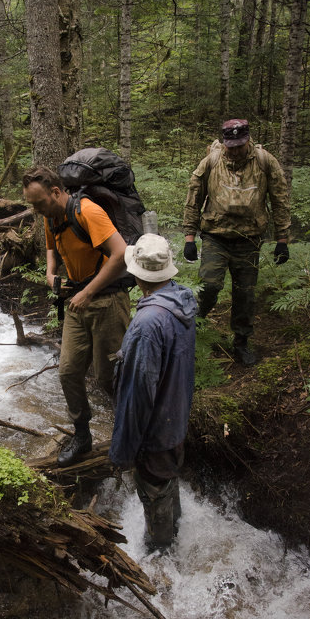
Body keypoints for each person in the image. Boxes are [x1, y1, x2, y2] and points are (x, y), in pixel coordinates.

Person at [22, 165, 130, 466]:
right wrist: (50, 274)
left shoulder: (88, 212)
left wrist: (89, 292)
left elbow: (121, 254)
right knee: (68, 372)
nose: (36, 209)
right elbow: (50, 248)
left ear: (56, 192)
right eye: (31, 204)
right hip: (76, 303)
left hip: (108, 302)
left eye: (39, 202)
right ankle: (82, 435)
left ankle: (132, 429)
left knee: (110, 379)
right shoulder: (51, 216)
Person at [109, 234, 196, 553]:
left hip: (155, 432)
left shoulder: (147, 324)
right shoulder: (181, 301)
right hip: (175, 420)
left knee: (155, 491)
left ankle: (163, 561)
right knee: (168, 482)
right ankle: (174, 537)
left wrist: (121, 452)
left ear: (136, 274)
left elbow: (137, 398)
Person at [183, 119, 291, 366]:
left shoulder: (265, 161)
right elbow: (193, 198)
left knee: (245, 294)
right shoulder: (211, 161)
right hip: (215, 236)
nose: (234, 151)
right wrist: (189, 237)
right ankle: (193, 326)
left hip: (248, 239)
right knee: (209, 285)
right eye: (230, 146)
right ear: (224, 143)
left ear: (247, 141)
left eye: (239, 146)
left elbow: (280, 200)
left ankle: (241, 342)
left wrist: (282, 239)